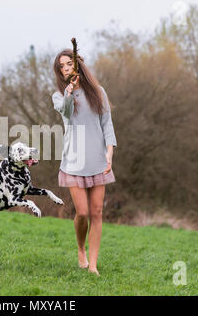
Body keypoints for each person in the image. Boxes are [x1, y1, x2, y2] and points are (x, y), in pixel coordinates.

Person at [51, 49, 117, 276]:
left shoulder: (98, 92)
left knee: (97, 212)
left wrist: (110, 152)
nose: (66, 68)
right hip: (74, 160)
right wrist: (69, 92)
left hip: (98, 158)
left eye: (70, 63)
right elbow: (67, 114)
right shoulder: (59, 96)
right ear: (60, 71)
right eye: (62, 66)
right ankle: (81, 248)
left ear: (78, 65)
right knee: (83, 213)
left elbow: (107, 124)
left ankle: (93, 265)